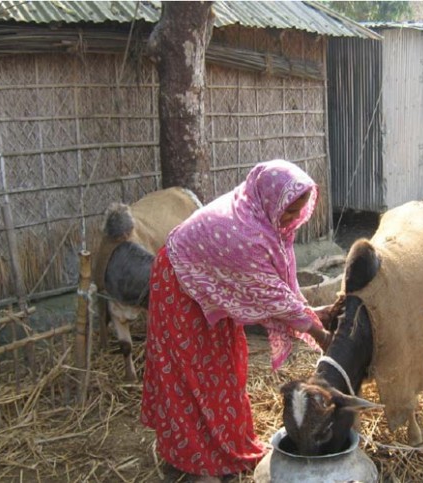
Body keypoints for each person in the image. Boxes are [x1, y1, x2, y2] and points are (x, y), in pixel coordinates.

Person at [140, 159, 333, 482]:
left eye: (297, 211)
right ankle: (195, 463)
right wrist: (319, 332)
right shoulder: (245, 234)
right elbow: (274, 297)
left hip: (211, 284)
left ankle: (228, 449)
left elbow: (282, 288)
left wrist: (313, 312)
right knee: (191, 373)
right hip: (179, 286)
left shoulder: (260, 215)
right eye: (288, 210)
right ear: (272, 199)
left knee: (224, 366)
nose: (291, 218)